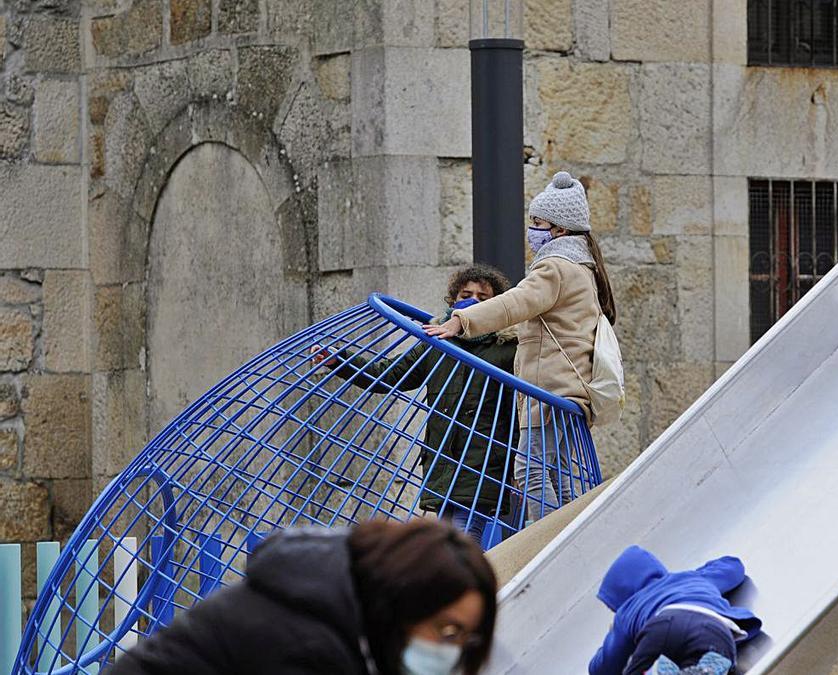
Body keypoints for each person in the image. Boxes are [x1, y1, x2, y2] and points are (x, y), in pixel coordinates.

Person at [425, 171, 617, 523]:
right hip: (569, 390)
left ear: (559, 229)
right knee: (556, 473)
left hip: (550, 389)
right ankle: (569, 533)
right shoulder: (582, 267)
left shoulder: (556, 267)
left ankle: (543, 542)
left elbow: (514, 303)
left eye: (538, 223)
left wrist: (460, 321)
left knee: (531, 469)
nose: (532, 231)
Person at [109, 519, 497, 675]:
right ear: (404, 601)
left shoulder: (340, 615)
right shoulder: (308, 640)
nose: (453, 652)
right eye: (447, 631)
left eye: (466, 638)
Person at [312, 265, 517, 545]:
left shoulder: (507, 349)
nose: (473, 302)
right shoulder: (437, 343)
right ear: (453, 301)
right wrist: (342, 361)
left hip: (483, 463)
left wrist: (517, 462)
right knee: (449, 545)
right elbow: (390, 374)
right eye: (466, 294)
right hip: (443, 460)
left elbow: (520, 410)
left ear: (497, 306)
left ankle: (466, 587)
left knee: (462, 541)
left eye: (483, 298)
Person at [587, 546, 761, 675]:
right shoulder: (691, 578)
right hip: (714, 628)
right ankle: (707, 668)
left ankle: (662, 671)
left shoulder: (628, 610)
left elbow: (605, 668)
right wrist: (698, 573)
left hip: (660, 628)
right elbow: (733, 567)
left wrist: (612, 633)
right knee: (711, 659)